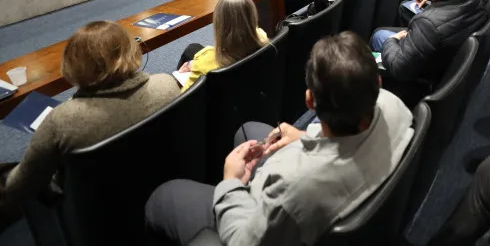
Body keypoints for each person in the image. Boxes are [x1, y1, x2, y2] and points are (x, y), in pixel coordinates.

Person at [145, 31, 415, 246]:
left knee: (165, 197)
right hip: (354, 188)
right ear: (377, 84)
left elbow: (242, 241)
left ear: (310, 101)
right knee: (248, 130)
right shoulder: (396, 106)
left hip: (266, 217)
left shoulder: (292, 188)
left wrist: (231, 184)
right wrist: (304, 136)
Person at [0, 21, 179, 205]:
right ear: (132, 50)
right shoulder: (167, 85)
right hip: (163, 186)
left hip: (96, 211)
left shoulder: (62, 121)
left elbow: (18, 188)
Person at [371, 0, 487, 99]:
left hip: (428, 73)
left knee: (379, 36)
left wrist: (391, 41)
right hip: (448, 52)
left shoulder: (427, 25)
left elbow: (399, 68)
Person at [176, 0, 269, 92]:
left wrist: (195, 64)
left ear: (219, 23)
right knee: (192, 48)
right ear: (252, 15)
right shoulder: (262, 36)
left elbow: (185, 99)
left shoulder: (203, 64)